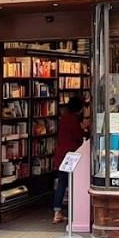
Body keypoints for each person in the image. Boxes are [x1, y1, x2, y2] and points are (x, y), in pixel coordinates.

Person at [52, 95, 87, 224]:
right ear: (80, 108)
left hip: (61, 155)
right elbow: (79, 136)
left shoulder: (64, 119)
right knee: (73, 183)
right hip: (71, 155)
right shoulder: (73, 120)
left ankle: (57, 211)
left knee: (62, 183)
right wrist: (84, 128)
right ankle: (75, 213)